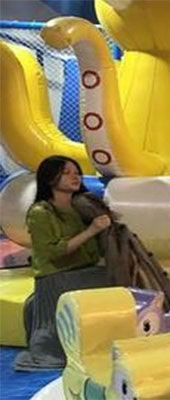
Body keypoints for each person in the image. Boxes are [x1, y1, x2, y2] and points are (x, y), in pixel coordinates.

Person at [14, 156, 112, 371]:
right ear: (50, 179)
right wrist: (91, 230)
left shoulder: (82, 207)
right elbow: (54, 252)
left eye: (76, 172)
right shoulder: (40, 213)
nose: (75, 176)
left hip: (85, 271)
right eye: (66, 173)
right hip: (57, 277)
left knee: (119, 277)